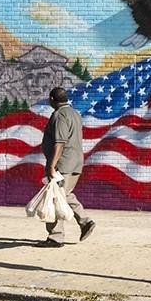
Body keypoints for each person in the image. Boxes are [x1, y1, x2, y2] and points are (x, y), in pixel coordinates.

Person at [39, 87, 96, 247]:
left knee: (54, 197)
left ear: (52, 99)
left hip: (63, 163)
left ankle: (56, 237)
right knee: (66, 194)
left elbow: (60, 142)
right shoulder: (74, 114)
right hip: (76, 161)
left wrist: (51, 165)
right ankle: (85, 222)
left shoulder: (60, 115)